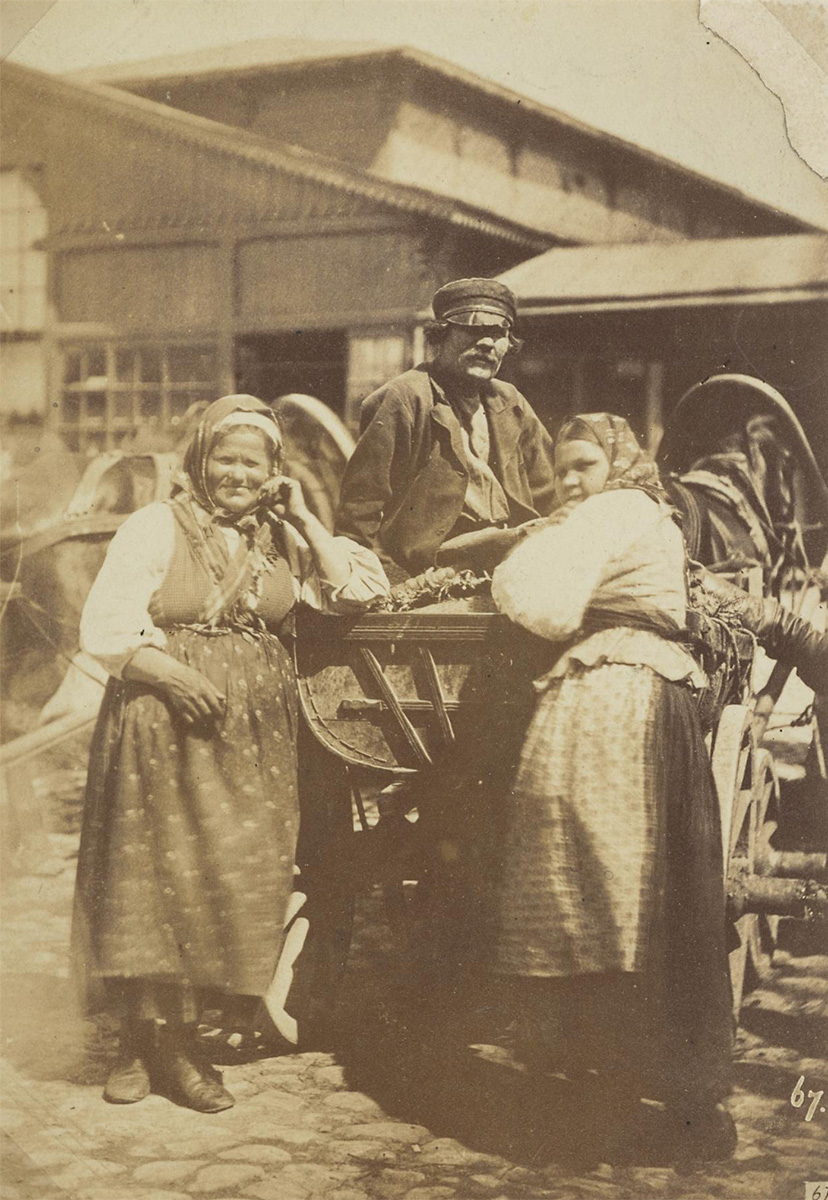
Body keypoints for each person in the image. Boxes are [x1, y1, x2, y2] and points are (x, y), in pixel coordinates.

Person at [73, 394, 388, 1112]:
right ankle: (155, 1047)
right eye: (226, 459)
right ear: (200, 461)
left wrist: (306, 516)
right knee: (150, 878)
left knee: (221, 878)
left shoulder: (283, 540)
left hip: (254, 744)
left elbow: (355, 594)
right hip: (160, 724)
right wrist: (174, 674)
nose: (239, 475)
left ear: (274, 472)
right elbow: (105, 625)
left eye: (255, 463)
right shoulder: (157, 524)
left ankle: (166, 1035)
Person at [489, 413, 736, 1162]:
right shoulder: (647, 513)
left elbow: (543, 603)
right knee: (632, 890)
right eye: (560, 469)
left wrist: (527, 548)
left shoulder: (613, 511)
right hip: (650, 695)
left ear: (619, 466)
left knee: (597, 879)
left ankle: (609, 1089)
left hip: (612, 699)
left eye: (583, 465)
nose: (568, 481)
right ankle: (647, 1087)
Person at [335, 278, 556, 577]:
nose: (488, 344)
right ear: (442, 335)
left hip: (511, 557)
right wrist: (368, 578)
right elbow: (361, 506)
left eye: (498, 333)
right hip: (433, 564)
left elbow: (549, 491)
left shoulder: (510, 401)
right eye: (474, 330)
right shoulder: (405, 397)